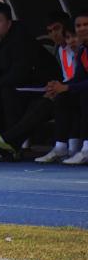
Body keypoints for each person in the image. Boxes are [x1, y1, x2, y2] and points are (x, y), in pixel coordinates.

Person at [0, 3, 60, 159]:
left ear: (9, 23)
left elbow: (19, 74)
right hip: (22, 85)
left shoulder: (20, 39)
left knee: (8, 91)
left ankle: (8, 143)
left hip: (42, 84)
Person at [38, 12, 87, 163]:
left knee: (83, 95)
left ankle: (85, 148)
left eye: (86, 25)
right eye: (78, 26)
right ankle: (61, 147)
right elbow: (78, 78)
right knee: (62, 96)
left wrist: (67, 87)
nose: (82, 29)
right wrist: (59, 87)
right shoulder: (83, 52)